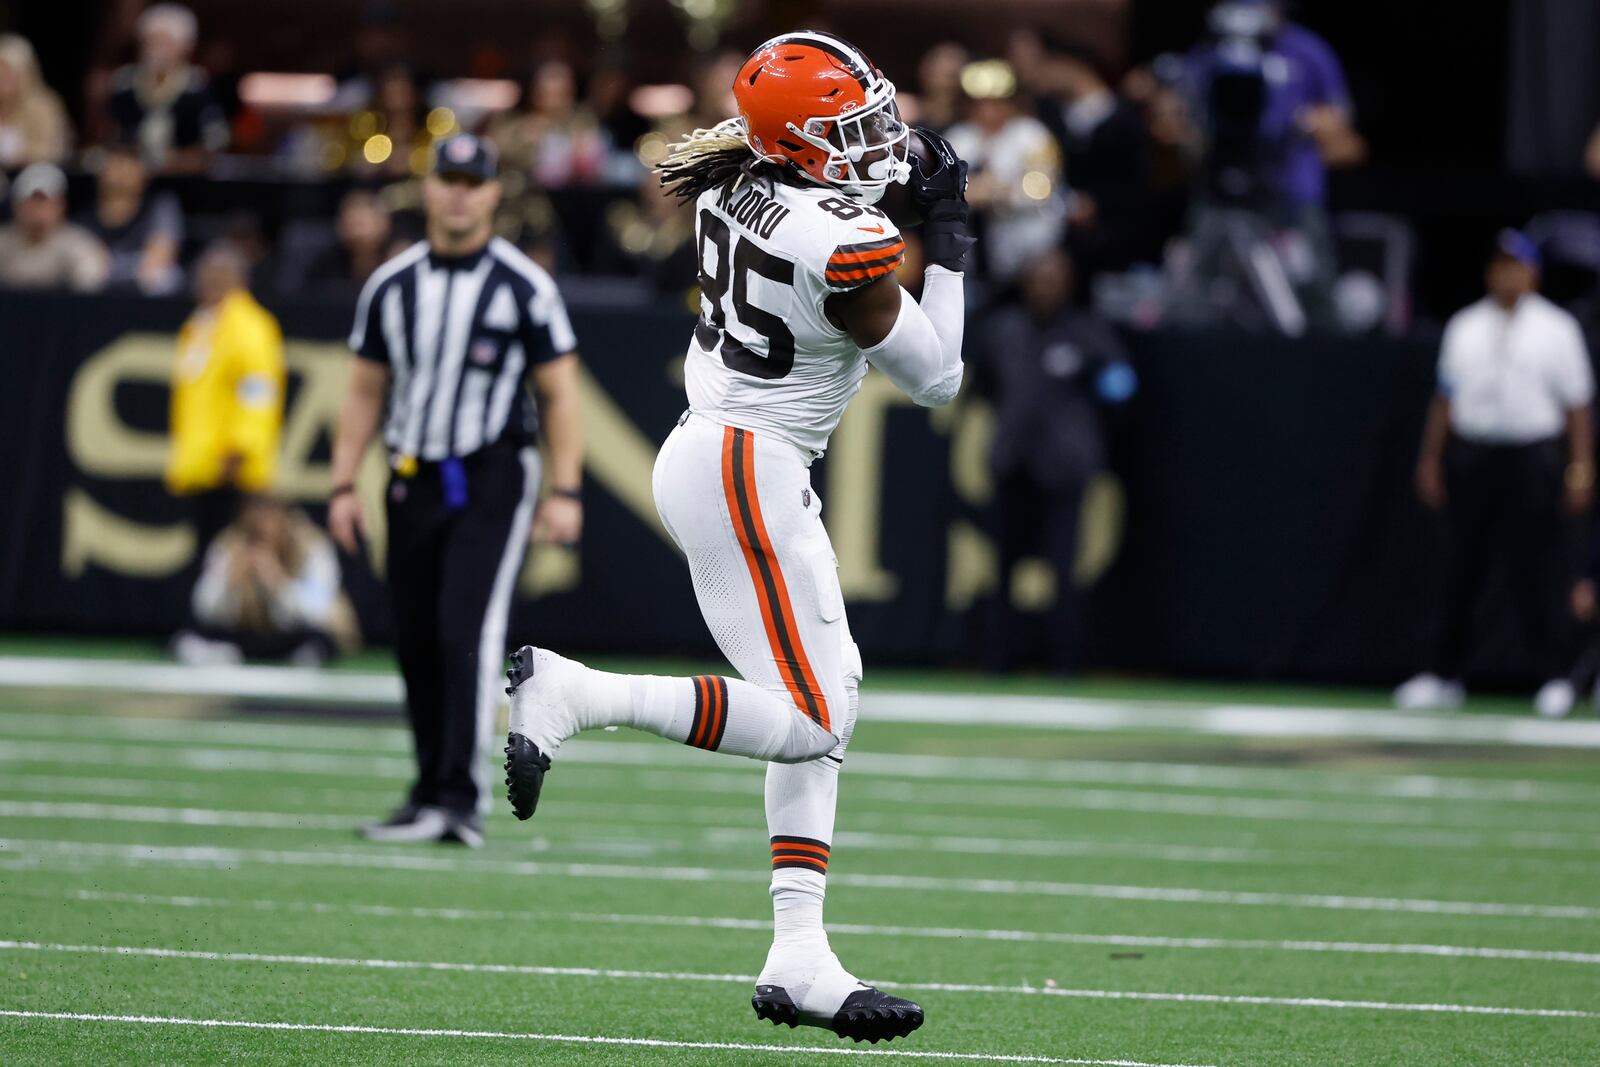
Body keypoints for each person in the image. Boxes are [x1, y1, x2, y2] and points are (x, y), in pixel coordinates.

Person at [501, 30, 973, 1044]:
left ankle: (798, 953)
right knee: (811, 718)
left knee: (826, 691)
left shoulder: (736, 179)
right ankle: (578, 692)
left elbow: (819, 191)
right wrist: (955, 239)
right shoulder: (839, 242)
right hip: (747, 468)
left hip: (722, 455)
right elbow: (936, 376)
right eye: (850, 128)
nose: (878, 138)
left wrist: (895, 177)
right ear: (797, 146)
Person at [328, 133, 585, 849]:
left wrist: (565, 489)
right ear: (429, 187)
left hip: (491, 474)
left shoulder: (523, 287)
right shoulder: (392, 284)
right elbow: (363, 389)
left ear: (494, 193)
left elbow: (560, 394)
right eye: (449, 178)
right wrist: (344, 481)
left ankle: (460, 797)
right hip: (410, 476)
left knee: (461, 630)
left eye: (474, 180)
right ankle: (427, 789)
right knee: (413, 638)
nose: (461, 193)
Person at [1397, 231, 1595, 717]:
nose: (1507, 275)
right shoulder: (1464, 326)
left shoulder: (1557, 329)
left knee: (1538, 570)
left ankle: (1555, 676)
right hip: (1474, 455)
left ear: (1533, 273)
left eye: (1517, 266)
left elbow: (1578, 406)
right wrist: (1430, 459)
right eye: (1500, 265)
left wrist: (1581, 466)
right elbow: (1444, 399)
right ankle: (1442, 674)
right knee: (1458, 569)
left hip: (1532, 458)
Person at [980, 248, 1135, 673]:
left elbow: (1123, 384)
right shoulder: (1003, 331)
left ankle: (1064, 664)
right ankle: (996, 661)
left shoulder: (1087, 333)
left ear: (1068, 285)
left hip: (1063, 468)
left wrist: (1103, 383)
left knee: (1063, 569)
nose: (1048, 287)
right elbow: (983, 384)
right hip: (1012, 463)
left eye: (1056, 279)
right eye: (1040, 278)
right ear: (1026, 284)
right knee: (1002, 570)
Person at [165, 243, 286, 549]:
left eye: (220, 276)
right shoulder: (200, 326)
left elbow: (258, 394)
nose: (210, 283)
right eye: (206, 276)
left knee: (234, 562)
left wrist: (240, 448)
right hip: (204, 468)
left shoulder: (250, 327)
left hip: (232, 471)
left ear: (240, 279)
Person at [173, 497, 359, 666]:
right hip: (238, 638)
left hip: (292, 638)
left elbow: (323, 612)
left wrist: (278, 584)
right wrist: (230, 583)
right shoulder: (228, 544)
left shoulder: (312, 545)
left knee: (318, 645)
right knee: (187, 640)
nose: (265, 529)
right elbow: (203, 608)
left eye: (272, 519)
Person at [943, 61, 1065, 284]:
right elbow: (944, 192)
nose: (987, 110)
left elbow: (1043, 187)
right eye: (979, 103)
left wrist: (996, 192)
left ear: (1011, 102)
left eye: (995, 102)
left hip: (1028, 248)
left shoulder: (1033, 135)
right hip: (972, 257)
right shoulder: (958, 137)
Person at [106, 3, 229, 173]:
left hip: (186, 184)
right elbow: (112, 137)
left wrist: (176, 162)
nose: (154, 51)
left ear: (185, 46)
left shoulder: (198, 88)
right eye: (149, 42)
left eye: (164, 43)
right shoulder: (125, 84)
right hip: (134, 179)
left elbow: (213, 144)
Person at [79, 141, 184, 295]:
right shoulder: (85, 217)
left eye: (130, 165)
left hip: (143, 289)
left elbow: (160, 256)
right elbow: (89, 265)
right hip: (99, 291)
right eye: (116, 163)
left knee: (166, 277)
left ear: (144, 174)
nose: (122, 172)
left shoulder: (160, 207)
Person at [0, 163, 109, 291]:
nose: (37, 209)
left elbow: (89, 290)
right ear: (17, 206)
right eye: (31, 201)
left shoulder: (80, 245)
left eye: (44, 201)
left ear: (61, 205)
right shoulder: (4, 243)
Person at [301, 188, 394, 296]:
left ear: (383, 224)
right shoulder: (325, 265)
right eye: (351, 223)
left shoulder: (396, 261)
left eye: (362, 224)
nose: (357, 232)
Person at [0, 34, 71, 167]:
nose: (2, 76)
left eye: (7, 71)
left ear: (24, 73)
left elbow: (51, 152)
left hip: (32, 173)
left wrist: (16, 151)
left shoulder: (45, 106)